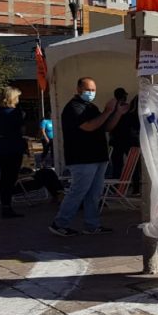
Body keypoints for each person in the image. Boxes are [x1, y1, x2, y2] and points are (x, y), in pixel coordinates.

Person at [49, 77, 128, 237]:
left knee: (94, 193)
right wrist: (107, 111)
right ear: (78, 89)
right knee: (78, 191)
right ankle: (60, 223)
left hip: (98, 156)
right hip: (82, 157)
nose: (91, 93)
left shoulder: (90, 107)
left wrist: (117, 113)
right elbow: (89, 126)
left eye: (93, 90)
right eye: (88, 90)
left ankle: (92, 224)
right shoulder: (74, 107)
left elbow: (105, 127)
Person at [0, 87, 29, 218]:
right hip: (13, 147)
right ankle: (7, 207)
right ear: (12, 98)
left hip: (0, 147)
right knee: (11, 177)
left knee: (5, 177)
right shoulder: (16, 113)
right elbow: (22, 130)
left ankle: (5, 205)